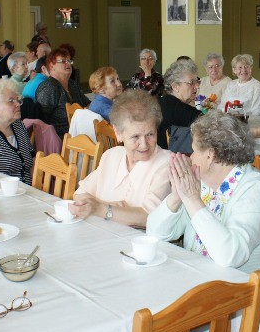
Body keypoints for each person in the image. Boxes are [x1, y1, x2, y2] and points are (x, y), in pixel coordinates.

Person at [146, 111, 260, 332]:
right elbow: (155, 232)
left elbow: (230, 255)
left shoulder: (256, 191)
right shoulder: (204, 183)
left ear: (210, 155)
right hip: (197, 288)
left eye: (193, 151)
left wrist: (191, 200)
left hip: (239, 300)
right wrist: (176, 199)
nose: (190, 157)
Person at [70, 90, 170, 226]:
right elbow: (80, 194)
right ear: (118, 133)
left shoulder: (166, 163)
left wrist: (100, 207)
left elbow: (150, 216)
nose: (144, 144)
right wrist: (115, 207)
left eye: (150, 134)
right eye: (136, 137)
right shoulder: (111, 156)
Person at [34, 48, 90, 136]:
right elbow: (42, 119)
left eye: (69, 61)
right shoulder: (49, 87)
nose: (68, 63)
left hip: (79, 133)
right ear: (52, 66)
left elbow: (86, 103)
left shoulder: (72, 84)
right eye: (63, 61)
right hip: (59, 138)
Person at [158, 59, 201, 149]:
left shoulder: (166, 102)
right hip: (166, 159)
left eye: (197, 82)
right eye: (191, 82)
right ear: (175, 86)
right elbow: (210, 123)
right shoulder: (174, 107)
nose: (197, 86)